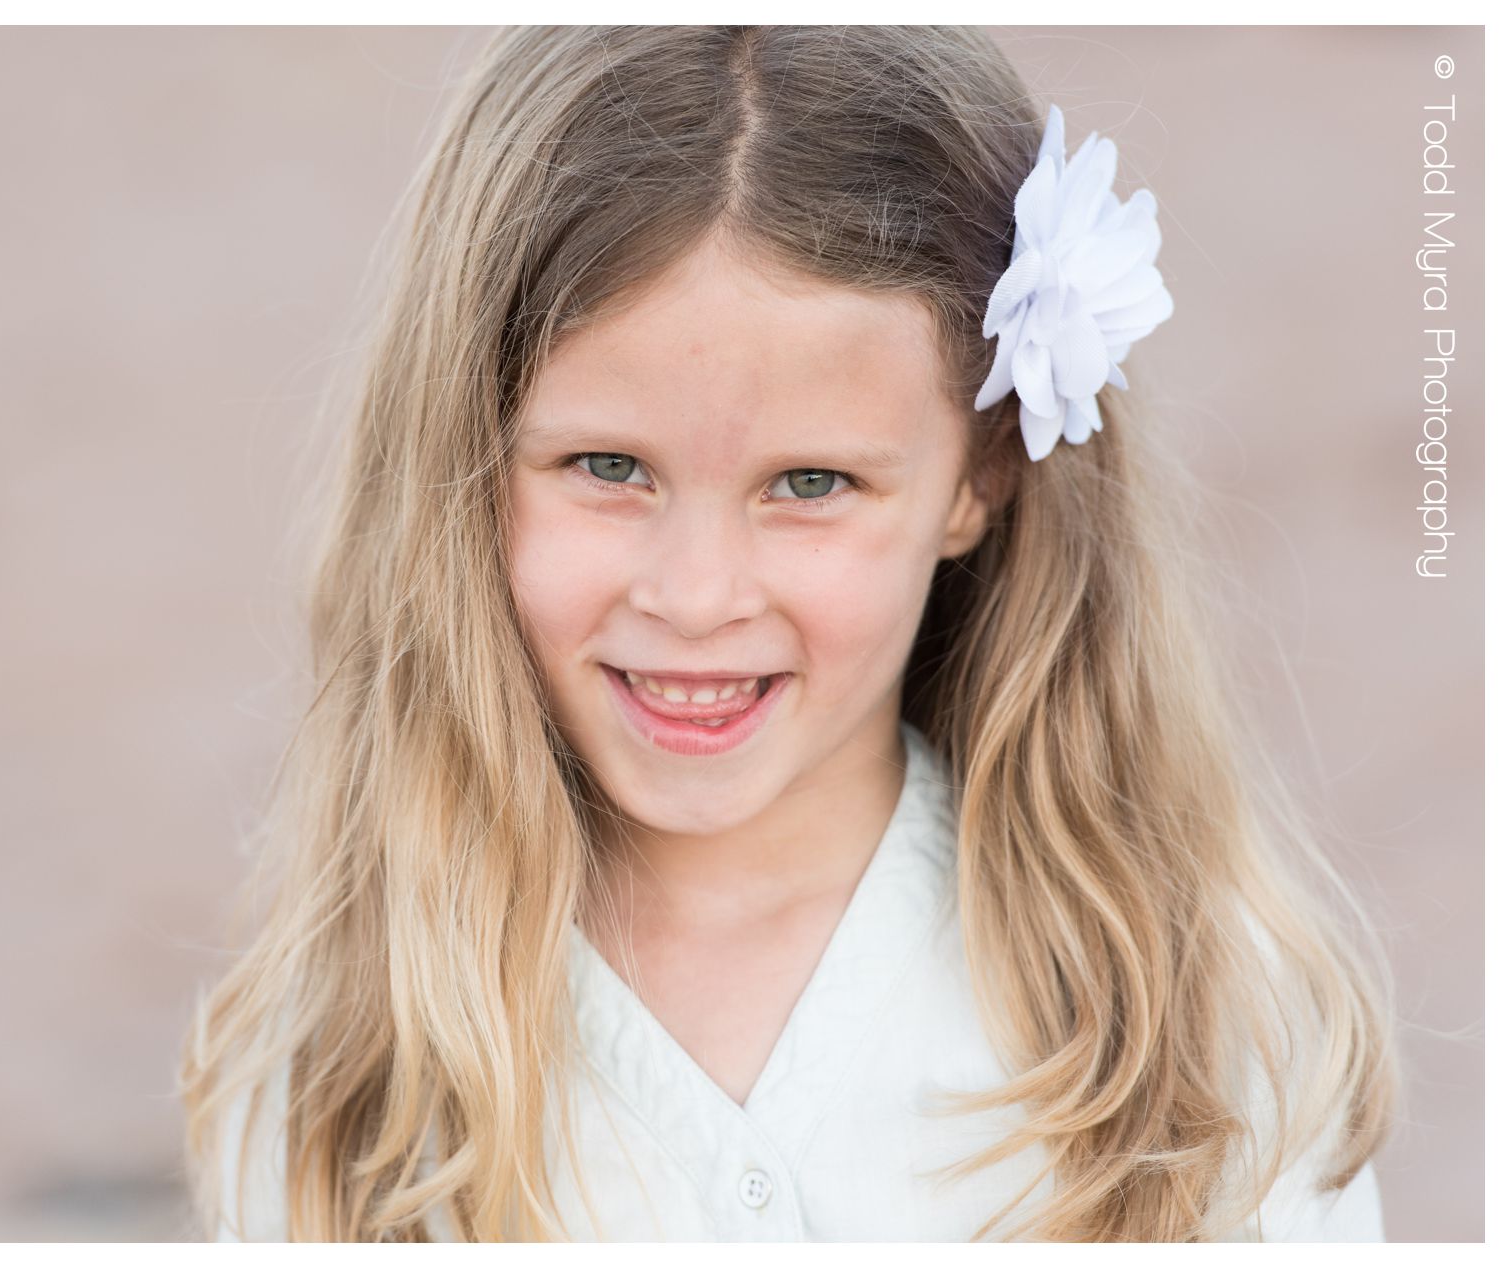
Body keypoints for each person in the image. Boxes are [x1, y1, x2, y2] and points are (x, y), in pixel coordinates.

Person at [178, 25, 1401, 1241]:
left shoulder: (1203, 1032)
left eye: (810, 483)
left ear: (977, 478)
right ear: (466, 451)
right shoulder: (334, 1072)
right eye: (609, 467)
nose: (698, 594)